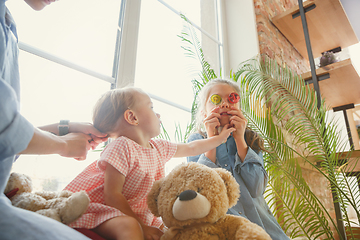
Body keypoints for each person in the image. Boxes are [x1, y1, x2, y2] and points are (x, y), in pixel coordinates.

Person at [63, 87, 235, 240]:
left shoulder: (158, 147)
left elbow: (191, 147)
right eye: (151, 108)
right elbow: (112, 195)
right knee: (129, 227)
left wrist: (219, 138)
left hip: (134, 215)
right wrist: (140, 226)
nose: (158, 114)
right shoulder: (122, 146)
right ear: (132, 117)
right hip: (101, 209)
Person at [0, 0, 107, 239]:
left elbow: (6, 145)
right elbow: (4, 129)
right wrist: (65, 144)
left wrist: (65, 130)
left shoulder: (7, 24)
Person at [187, 78, 290, 240]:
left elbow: (257, 188)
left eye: (231, 99)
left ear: (239, 108)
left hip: (263, 227)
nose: (225, 104)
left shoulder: (250, 139)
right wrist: (212, 138)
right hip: (224, 230)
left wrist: (240, 139)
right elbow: (200, 190)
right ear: (204, 113)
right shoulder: (195, 141)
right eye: (216, 99)